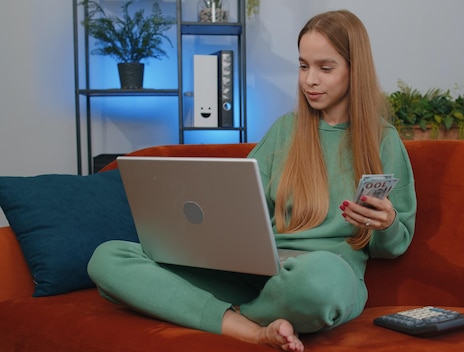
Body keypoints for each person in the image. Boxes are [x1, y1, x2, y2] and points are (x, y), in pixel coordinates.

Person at [87, 9, 417, 352]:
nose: (310, 80)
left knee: (322, 279)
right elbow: (235, 203)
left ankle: (213, 313)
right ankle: (249, 329)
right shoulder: (284, 131)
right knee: (108, 258)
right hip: (256, 270)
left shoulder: (383, 140)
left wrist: (388, 223)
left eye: (325, 68)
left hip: (319, 277)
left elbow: (395, 246)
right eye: (303, 66)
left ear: (354, 69)